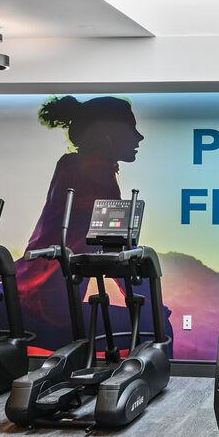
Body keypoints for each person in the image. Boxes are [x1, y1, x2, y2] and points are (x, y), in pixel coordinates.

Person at [17, 95, 146, 350]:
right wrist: (139, 292)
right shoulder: (96, 174)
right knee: (155, 325)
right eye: (131, 129)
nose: (139, 137)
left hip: (30, 286)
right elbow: (112, 247)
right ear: (107, 135)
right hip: (51, 304)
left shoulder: (71, 164)